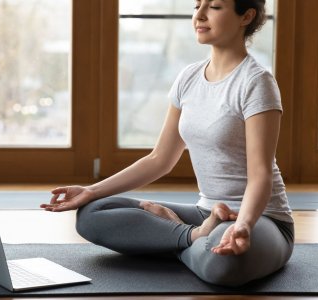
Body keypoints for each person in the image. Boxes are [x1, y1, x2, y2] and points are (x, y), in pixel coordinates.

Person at [41, 0, 294, 287]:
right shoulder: (188, 78)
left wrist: (243, 224)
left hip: (263, 219)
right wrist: (89, 191)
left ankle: (175, 236)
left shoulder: (256, 81)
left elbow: (260, 173)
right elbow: (159, 159)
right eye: (197, 5)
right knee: (90, 215)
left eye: (214, 7)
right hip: (206, 214)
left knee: (223, 265)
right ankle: (191, 236)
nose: (199, 15)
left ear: (245, 16)